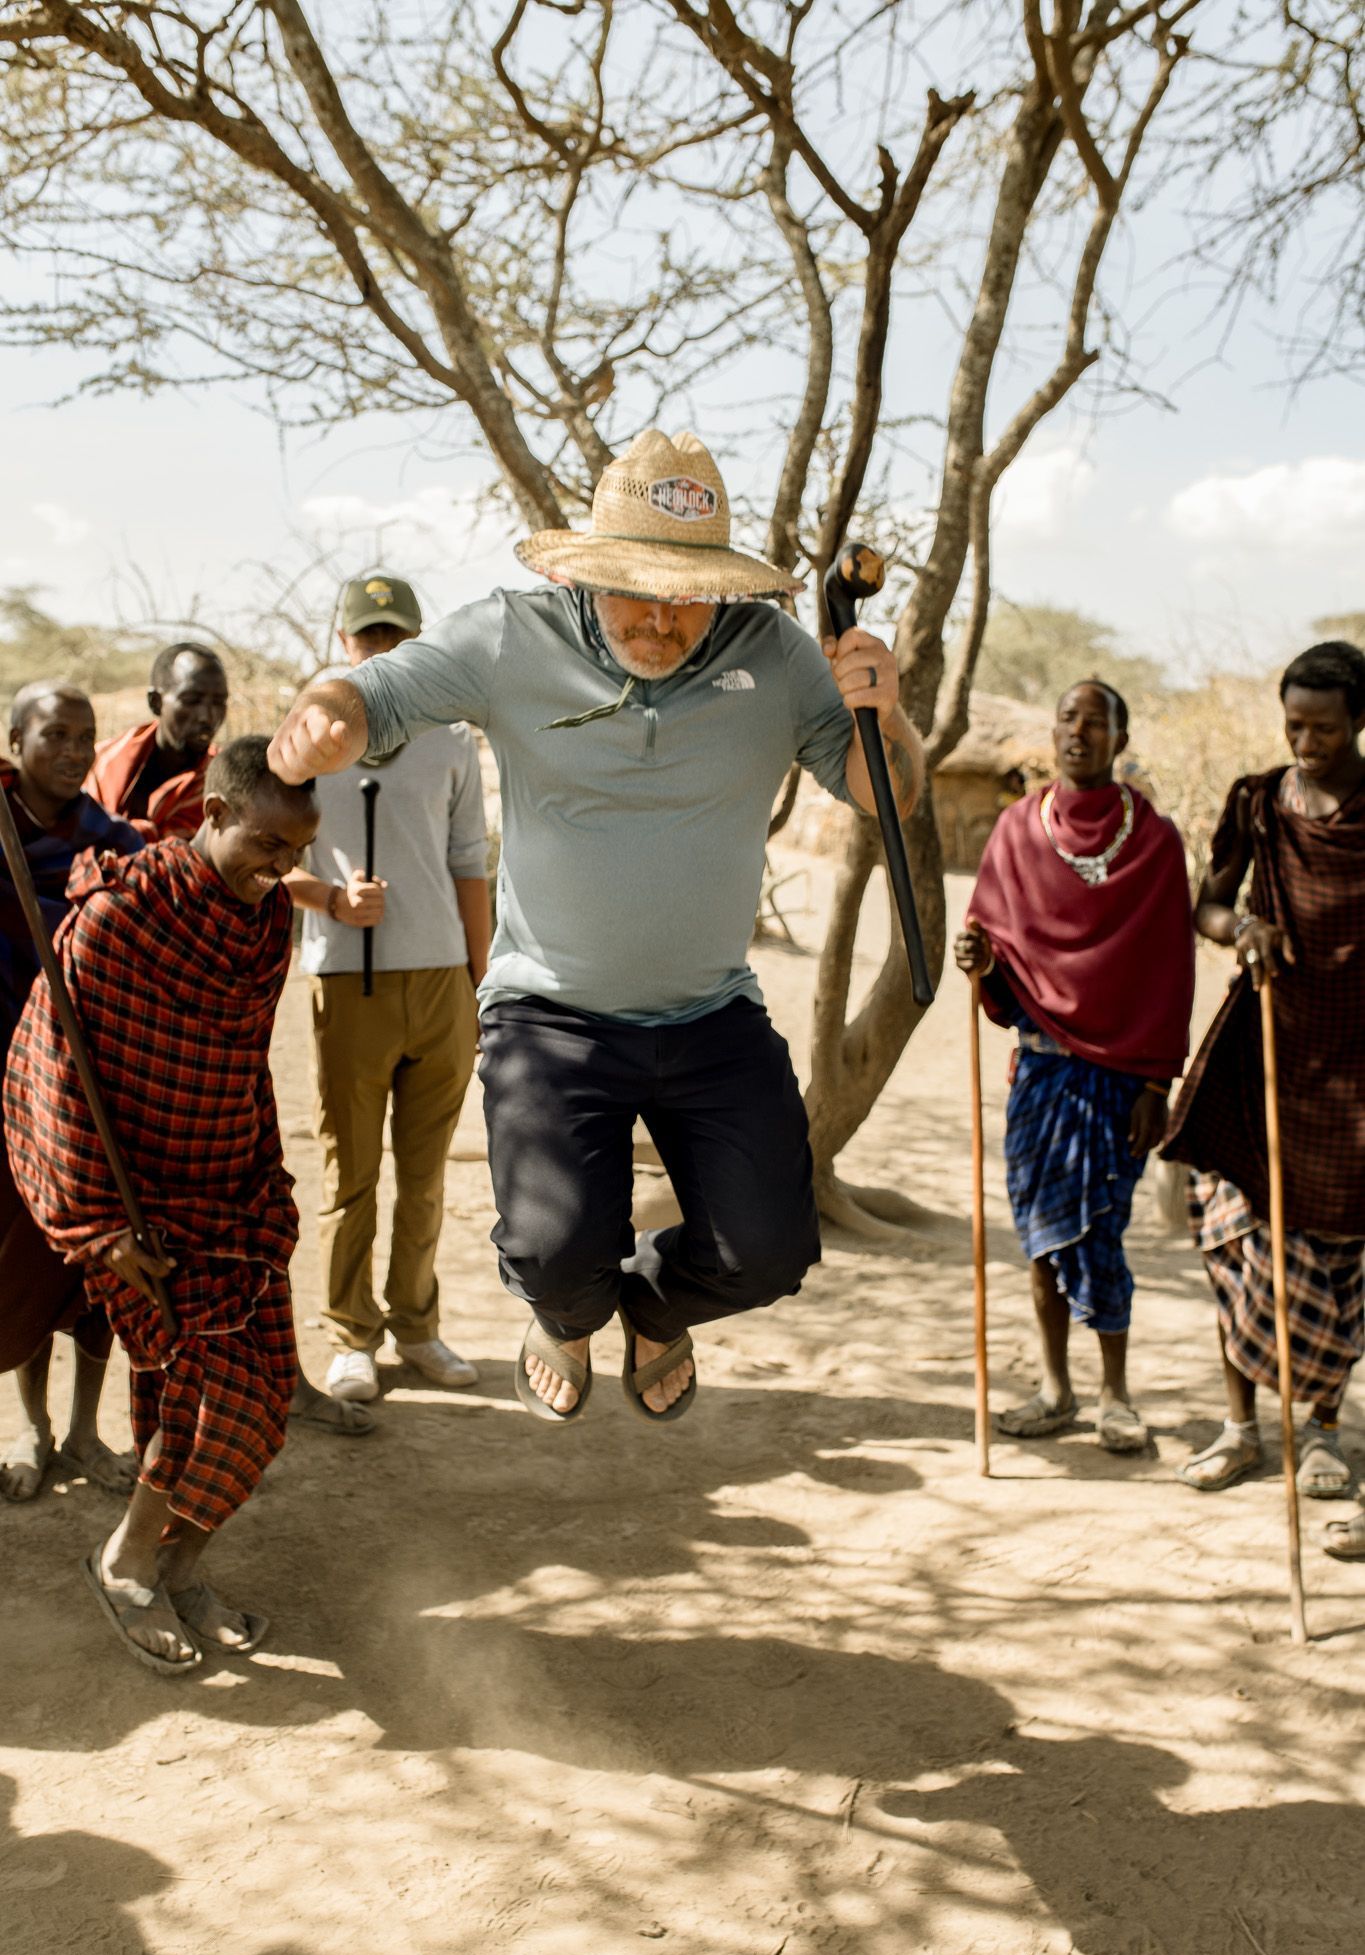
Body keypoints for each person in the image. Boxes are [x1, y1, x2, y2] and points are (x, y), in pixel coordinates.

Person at [269, 428, 924, 1425]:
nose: (663, 619)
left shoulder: (777, 656)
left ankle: (656, 1309)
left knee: (769, 1252)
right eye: (638, 589)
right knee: (554, 1258)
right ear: (585, 572)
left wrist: (887, 712)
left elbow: (889, 792)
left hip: (711, 1012)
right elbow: (376, 692)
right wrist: (324, 714)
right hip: (551, 1013)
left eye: (690, 594)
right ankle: (569, 1316)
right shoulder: (510, 635)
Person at [5, 736, 319, 1670]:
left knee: (263, 1399)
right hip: (139, 1209)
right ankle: (127, 1563)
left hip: (233, 1193)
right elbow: (50, 1074)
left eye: (297, 852)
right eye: (268, 844)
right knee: (207, 1395)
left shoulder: (268, 920)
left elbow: (244, 1065)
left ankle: (181, 1566)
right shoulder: (117, 919)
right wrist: (98, 1227)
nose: (280, 868)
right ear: (214, 814)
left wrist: (266, 1180)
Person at [954, 680, 1194, 1451]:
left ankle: (1114, 1395)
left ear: (1120, 740)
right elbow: (993, 947)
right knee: (1042, 1236)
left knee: (1099, 1234)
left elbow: (1170, 970)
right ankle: (1054, 1388)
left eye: (1096, 724)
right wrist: (978, 959)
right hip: (1041, 1071)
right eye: (1067, 720)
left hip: (1120, 1080)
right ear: (1051, 732)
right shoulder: (1016, 830)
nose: (1078, 734)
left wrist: (1155, 1084)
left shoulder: (1153, 842)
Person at [1163, 641, 1365, 1555]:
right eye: (1293, 726)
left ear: (1357, 723)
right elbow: (1204, 906)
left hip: (1352, 1067)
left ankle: (1320, 1431)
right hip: (1263, 1047)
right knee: (1237, 1240)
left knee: (1332, 1256)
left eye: (1323, 729)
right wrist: (1241, 924)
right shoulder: (1256, 801)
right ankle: (1240, 1427)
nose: (1305, 744)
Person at [284, 573, 490, 1403]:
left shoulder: (451, 735)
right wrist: (331, 900)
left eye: (395, 636)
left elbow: (469, 862)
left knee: (426, 1175)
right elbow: (264, 860)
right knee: (351, 1174)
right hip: (348, 980)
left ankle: (417, 1324)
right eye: (368, 636)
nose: (381, 650)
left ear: (418, 640)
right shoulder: (303, 737)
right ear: (344, 642)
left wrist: (479, 981)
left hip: (440, 981)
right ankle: (350, 1337)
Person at [0, 682, 144, 1501]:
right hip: (6, 1087)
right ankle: (33, 1426)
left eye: (85, 736)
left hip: (91, 1084)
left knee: (95, 1267)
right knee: (23, 1259)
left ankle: (87, 1428)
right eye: (54, 733)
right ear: (15, 741)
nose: (73, 750)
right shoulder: (0, 832)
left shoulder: (112, 843)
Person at [85, 642, 228, 839]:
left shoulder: (225, 780)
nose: (207, 717)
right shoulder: (100, 760)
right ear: (156, 702)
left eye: (219, 702)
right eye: (191, 701)